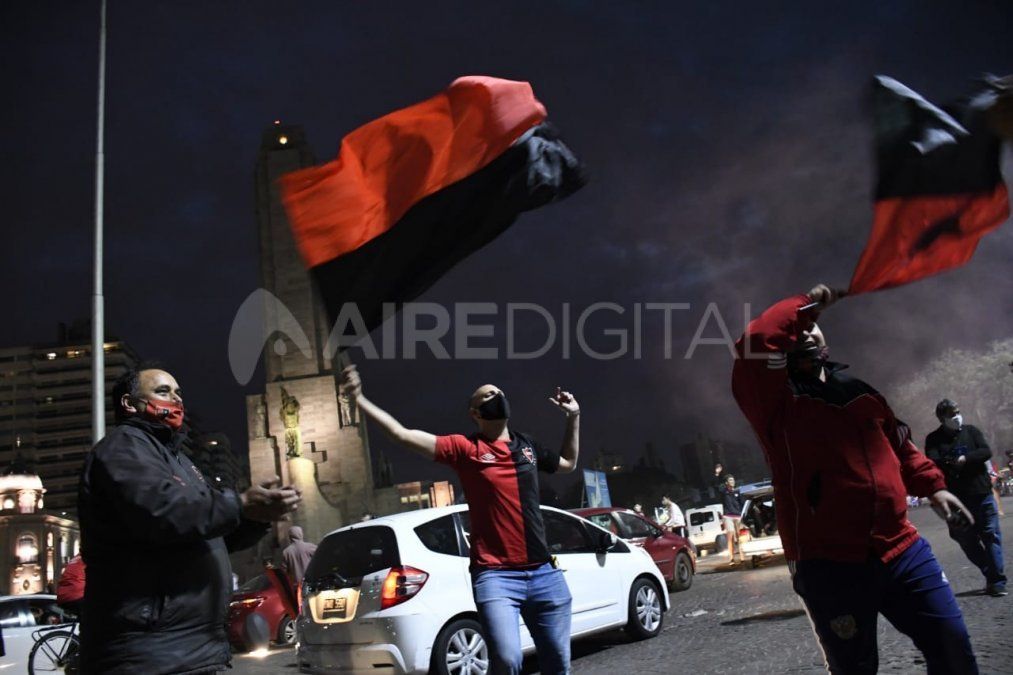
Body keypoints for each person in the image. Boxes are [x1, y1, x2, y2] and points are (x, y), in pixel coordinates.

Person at [732, 284, 978, 674]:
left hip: (901, 548)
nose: (807, 332)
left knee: (953, 647)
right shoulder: (773, 403)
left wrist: (935, 488)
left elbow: (900, 447)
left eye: (813, 326)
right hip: (829, 565)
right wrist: (806, 303)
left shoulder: (862, 393)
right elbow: (755, 342)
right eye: (798, 328)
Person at [340, 365, 579, 675]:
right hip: (496, 576)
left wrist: (573, 417)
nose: (497, 395)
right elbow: (402, 434)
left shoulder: (528, 446)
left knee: (558, 662)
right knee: (507, 659)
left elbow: (569, 463)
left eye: (499, 392)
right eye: (488, 395)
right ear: (475, 413)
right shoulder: (466, 449)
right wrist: (359, 399)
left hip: (544, 572)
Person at [78, 365, 302, 675]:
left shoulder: (180, 461)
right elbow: (163, 512)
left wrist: (254, 518)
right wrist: (239, 504)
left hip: (189, 649)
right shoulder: (123, 448)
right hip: (149, 653)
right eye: (163, 391)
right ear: (129, 403)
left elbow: (210, 532)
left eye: (178, 392)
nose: (176, 399)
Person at [925, 399, 1007, 596]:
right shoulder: (934, 439)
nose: (956, 417)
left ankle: (997, 582)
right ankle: (990, 573)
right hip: (955, 500)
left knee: (990, 535)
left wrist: (966, 459)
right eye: (951, 414)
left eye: (958, 412)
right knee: (965, 540)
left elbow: (985, 451)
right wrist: (950, 462)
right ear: (942, 418)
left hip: (981, 494)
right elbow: (932, 462)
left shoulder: (972, 432)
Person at [719, 476, 746, 563]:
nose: (733, 481)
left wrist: (742, 514)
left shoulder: (737, 491)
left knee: (739, 536)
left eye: (733, 480)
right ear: (726, 483)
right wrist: (718, 474)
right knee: (730, 536)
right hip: (728, 516)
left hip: (737, 516)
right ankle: (731, 558)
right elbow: (719, 487)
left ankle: (742, 557)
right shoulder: (724, 492)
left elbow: (742, 504)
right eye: (730, 480)